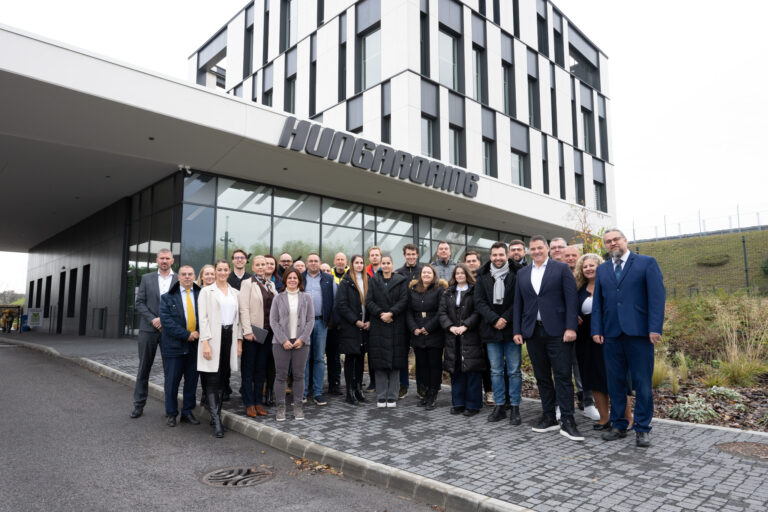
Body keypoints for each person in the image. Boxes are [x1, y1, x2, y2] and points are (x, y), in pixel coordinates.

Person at [592, 229, 665, 448]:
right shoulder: (603, 269)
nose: (612, 243)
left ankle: (642, 428)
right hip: (611, 335)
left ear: (625, 240)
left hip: (639, 334)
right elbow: (598, 303)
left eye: (616, 239)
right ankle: (619, 425)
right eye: (608, 241)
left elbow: (657, 298)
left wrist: (654, 328)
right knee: (615, 383)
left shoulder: (646, 263)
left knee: (642, 383)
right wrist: (597, 329)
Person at [513, 236, 582, 442]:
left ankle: (568, 420)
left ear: (547, 249)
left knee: (562, 376)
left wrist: (570, 327)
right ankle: (549, 416)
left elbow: (571, 300)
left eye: (540, 248)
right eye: (533, 249)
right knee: (542, 377)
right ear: (529, 251)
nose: (536, 251)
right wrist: (517, 330)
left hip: (558, 332)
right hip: (533, 332)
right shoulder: (523, 273)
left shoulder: (561, 269)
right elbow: (518, 303)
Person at [475, 242, 522, 424]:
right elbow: (479, 302)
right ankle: (500, 406)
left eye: (501, 254)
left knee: (514, 371)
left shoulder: (518, 273)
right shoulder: (482, 275)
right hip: (490, 329)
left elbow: (520, 300)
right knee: (495, 371)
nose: (498, 258)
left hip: (512, 330)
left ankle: (515, 407)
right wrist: (494, 319)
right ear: (490, 256)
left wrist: (505, 319)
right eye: (494, 255)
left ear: (507, 255)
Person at [198, 259, 242, 438]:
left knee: (223, 377)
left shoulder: (235, 293)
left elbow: (239, 320)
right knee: (212, 378)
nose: (222, 273)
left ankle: (216, 413)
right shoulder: (206, 291)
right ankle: (216, 420)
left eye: (225, 270)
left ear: (229, 271)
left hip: (229, 336)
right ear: (215, 271)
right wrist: (205, 342)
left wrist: (239, 342)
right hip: (213, 338)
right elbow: (203, 318)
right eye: (219, 270)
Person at [131, 249, 177, 419]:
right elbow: (139, 303)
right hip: (148, 330)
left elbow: (181, 305)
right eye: (161, 258)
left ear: (172, 260)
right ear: (157, 260)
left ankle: (170, 409)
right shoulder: (146, 278)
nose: (164, 261)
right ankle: (138, 405)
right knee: (144, 368)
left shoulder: (179, 279)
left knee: (170, 371)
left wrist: (165, 320)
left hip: (169, 331)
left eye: (167, 258)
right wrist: (153, 319)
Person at [574, 253, 617, 430]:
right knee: (594, 379)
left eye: (592, 265)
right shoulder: (579, 290)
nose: (588, 269)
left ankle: (624, 418)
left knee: (614, 378)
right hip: (585, 340)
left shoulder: (609, 285)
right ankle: (604, 419)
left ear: (600, 266)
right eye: (585, 266)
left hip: (607, 337)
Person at [269, 267, 315, 421]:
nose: (292, 280)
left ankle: (298, 406)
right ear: (285, 280)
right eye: (289, 278)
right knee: (281, 376)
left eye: (295, 278)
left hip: (301, 342)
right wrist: (283, 340)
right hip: (281, 342)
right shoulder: (278, 298)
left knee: (299, 375)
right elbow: (273, 321)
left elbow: (310, 320)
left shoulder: (306, 298)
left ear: (299, 280)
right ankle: (281, 407)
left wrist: (302, 339)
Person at [158, 265, 201, 427]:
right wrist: (186, 334)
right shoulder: (167, 297)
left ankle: (187, 412)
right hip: (174, 347)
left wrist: (198, 332)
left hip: (195, 346)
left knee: (191, 382)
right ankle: (171, 413)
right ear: (178, 277)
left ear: (194, 276)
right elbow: (167, 322)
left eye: (190, 274)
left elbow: (208, 317)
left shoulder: (202, 295)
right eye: (184, 274)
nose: (187, 277)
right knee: (172, 382)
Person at [440, 264, 484, 417]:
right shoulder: (448, 292)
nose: (459, 275)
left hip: (470, 336)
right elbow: (442, 313)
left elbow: (478, 312)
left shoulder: (475, 290)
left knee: (471, 370)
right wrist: (450, 326)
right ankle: (458, 403)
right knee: (456, 370)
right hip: (453, 337)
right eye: (457, 273)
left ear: (467, 275)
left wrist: (466, 326)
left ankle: (473, 405)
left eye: (462, 273)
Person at [366, 255, 409, 408]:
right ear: (380, 265)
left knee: (395, 363)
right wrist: (381, 314)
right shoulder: (373, 281)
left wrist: (391, 313)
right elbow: (369, 301)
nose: (385, 265)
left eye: (388, 263)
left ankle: (392, 396)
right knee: (380, 363)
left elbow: (404, 300)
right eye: (383, 263)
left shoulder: (401, 281)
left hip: (396, 324)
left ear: (392, 265)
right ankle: (381, 396)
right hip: (378, 325)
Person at [238, 255, 277, 418]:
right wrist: (247, 330)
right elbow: (243, 308)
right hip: (252, 333)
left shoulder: (271, 284)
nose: (261, 267)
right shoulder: (247, 283)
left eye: (264, 264)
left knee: (261, 369)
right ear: (253, 267)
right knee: (248, 369)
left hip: (267, 334)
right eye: (258, 265)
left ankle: (258, 402)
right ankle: (249, 403)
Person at [406, 264, 447, 410]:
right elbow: (408, 312)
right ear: (420, 275)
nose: (426, 275)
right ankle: (426, 392)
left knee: (434, 366)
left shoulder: (439, 290)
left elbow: (441, 311)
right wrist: (414, 328)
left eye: (429, 273)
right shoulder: (413, 290)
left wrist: (428, 327)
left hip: (434, 333)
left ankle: (433, 394)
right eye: (424, 272)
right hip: (418, 334)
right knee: (422, 366)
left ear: (434, 275)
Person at [562, 244, 595, 417]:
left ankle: (587, 401)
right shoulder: (558, 274)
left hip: (584, 330)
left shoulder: (584, 277)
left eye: (573, 255)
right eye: (567, 255)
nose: (570, 258)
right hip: (563, 329)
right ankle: (564, 404)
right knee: (564, 366)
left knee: (583, 365)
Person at [335, 255, 370, 405]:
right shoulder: (346, 282)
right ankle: (349, 392)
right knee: (351, 359)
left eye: (362, 263)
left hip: (365, 327)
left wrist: (369, 321)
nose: (359, 265)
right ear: (352, 264)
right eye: (357, 263)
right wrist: (356, 321)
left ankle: (358, 389)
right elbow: (342, 305)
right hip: (351, 326)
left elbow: (373, 302)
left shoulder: (368, 280)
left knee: (361, 359)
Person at [302, 253, 336, 405]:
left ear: (320, 263)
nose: (313, 263)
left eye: (316, 261)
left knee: (319, 359)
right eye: (311, 261)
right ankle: (302, 393)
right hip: (303, 324)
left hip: (321, 323)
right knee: (304, 358)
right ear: (306, 263)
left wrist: (332, 321)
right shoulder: (300, 277)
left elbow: (335, 301)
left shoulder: (328, 279)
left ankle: (317, 392)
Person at [464, 250, 492, 405]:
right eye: (468, 261)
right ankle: (472, 393)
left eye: (474, 260)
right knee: (471, 361)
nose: (471, 263)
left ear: (479, 263)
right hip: (468, 328)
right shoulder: (461, 280)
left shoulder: (486, 278)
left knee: (487, 361)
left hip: (485, 325)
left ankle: (489, 391)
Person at [396, 243, 423, 398]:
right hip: (402, 319)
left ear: (417, 255)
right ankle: (403, 385)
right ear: (404, 255)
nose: (411, 256)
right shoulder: (398, 273)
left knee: (420, 354)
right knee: (402, 354)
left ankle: (421, 386)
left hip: (419, 319)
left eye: (413, 254)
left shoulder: (423, 272)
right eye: (408, 254)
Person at [326, 252, 349, 396]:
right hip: (329, 323)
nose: (340, 261)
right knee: (330, 356)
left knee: (340, 356)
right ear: (334, 261)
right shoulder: (329, 275)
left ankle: (338, 383)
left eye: (342, 259)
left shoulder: (350, 275)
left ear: (346, 261)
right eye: (338, 259)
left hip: (344, 323)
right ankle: (331, 383)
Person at [364, 245, 382, 391]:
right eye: (372, 255)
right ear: (369, 257)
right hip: (370, 316)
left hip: (384, 316)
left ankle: (383, 380)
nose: (375, 257)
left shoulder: (387, 271)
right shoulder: (365, 273)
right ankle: (373, 381)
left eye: (377, 255)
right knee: (371, 352)